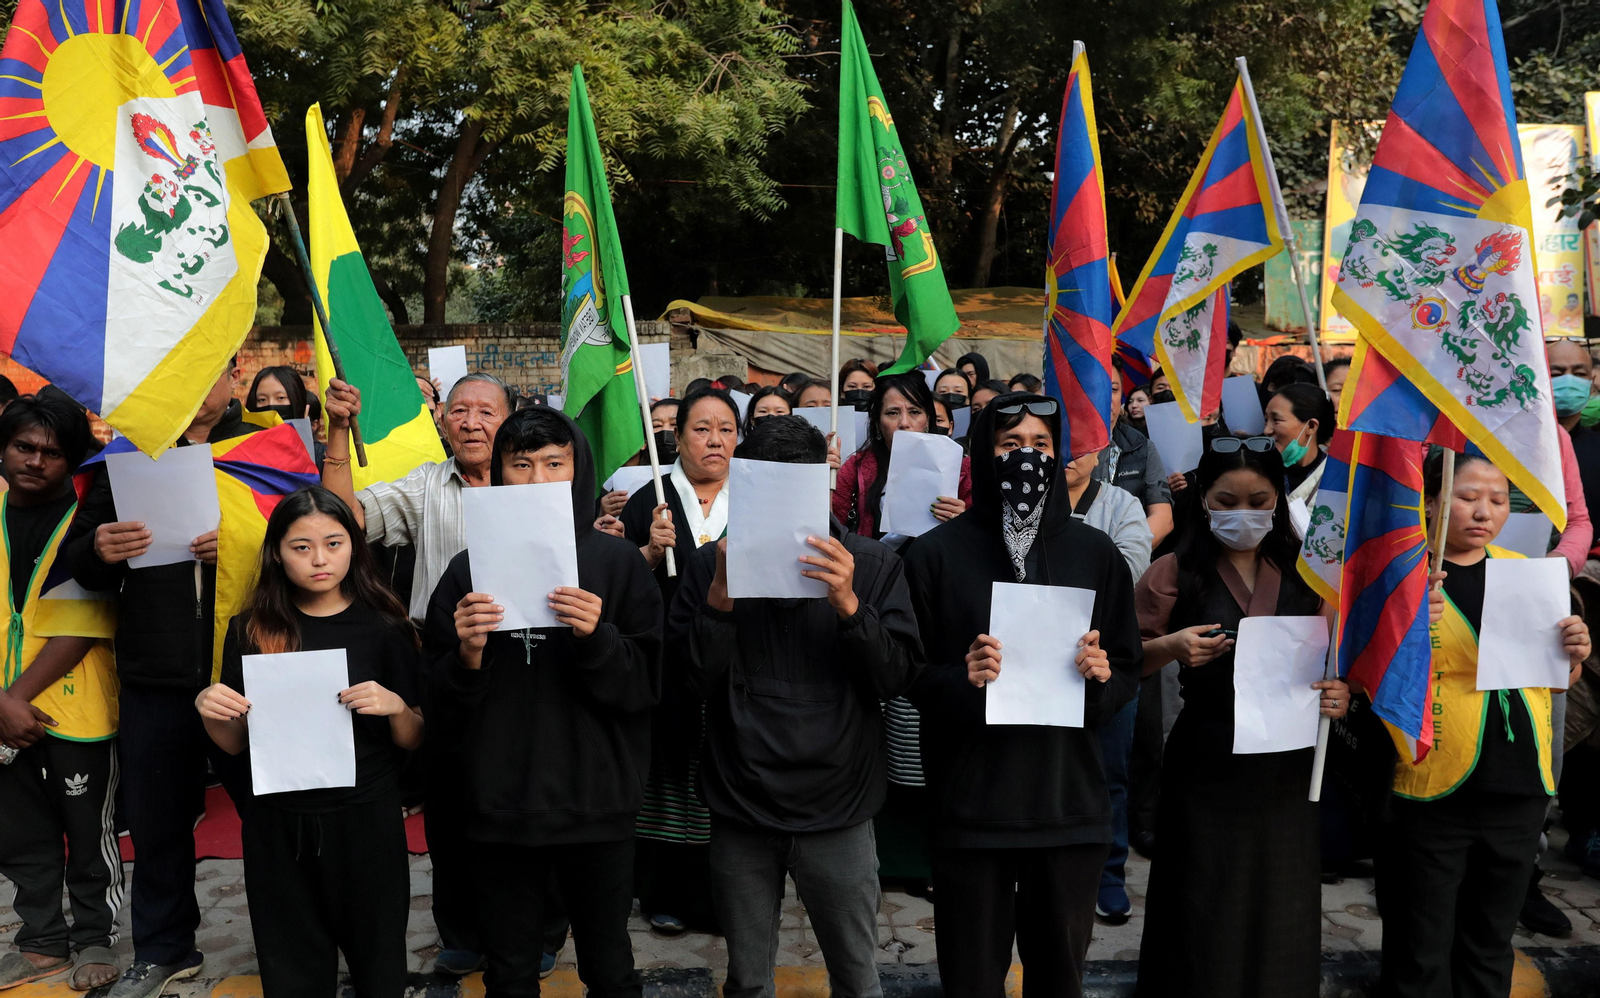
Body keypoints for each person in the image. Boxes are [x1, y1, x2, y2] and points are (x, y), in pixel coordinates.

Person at [671, 415, 921, 998]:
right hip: (741, 806)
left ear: (821, 485)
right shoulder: (713, 564)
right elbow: (685, 684)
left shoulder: (872, 563)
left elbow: (896, 678)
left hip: (839, 806)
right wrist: (718, 604)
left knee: (858, 978)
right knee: (748, 980)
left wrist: (850, 605)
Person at [903, 393, 1143, 998]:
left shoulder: (1095, 554)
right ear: (983, 455)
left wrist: (1101, 673)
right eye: (1010, 446)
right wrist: (963, 676)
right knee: (971, 980)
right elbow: (906, 675)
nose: (1027, 459)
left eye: (1040, 446)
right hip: (972, 807)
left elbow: (1129, 671)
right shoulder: (935, 554)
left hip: (1066, 804)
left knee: (1060, 980)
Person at [425, 406, 662, 997]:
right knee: (508, 971)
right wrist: (468, 655)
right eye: (521, 464)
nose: (536, 480)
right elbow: (436, 700)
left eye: (554, 464)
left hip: (597, 797)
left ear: (577, 471)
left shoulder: (618, 564)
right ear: (499, 473)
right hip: (501, 800)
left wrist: (596, 637)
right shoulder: (465, 572)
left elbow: (648, 683)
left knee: (609, 966)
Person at [61, 359, 264, 997]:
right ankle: (165, 946)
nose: (195, 384)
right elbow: (77, 565)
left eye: (207, 367)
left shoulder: (266, 450)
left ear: (233, 373)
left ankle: (291, 938)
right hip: (157, 675)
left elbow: (313, 543)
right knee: (157, 822)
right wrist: (101, 550)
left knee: (269, 817)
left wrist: (236, 544)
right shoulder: (128, 461)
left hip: (248, 673)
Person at [1133, 437, 1353, 998]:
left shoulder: (1313, 572)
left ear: (1279, 500)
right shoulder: (1172, 570)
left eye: (1259, 501)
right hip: (1206, 761)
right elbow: (1121, 657)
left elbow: (1342, 662)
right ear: (1203, 500)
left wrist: (1341, 694)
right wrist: (1173, 647)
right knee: (1202, 899)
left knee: (1280, 903)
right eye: (1227, 501)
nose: (1244, 514)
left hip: (1287, 765)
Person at [319, 371, 512, 975]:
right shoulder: (427, 486)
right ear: (442, 421)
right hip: (445, 656)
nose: (472, 422)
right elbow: (344, 517)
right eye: (460, 411)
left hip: (527, 658)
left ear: (510, 419)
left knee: (523, 795)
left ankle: (535, 927)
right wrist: (339, 432)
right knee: (450, 798)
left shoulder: (535, 480)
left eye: (486, 411)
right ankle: (459, 930)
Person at [1378, 452, 1590, 998]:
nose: (1484, 511)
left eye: (1498, 500)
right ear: (1430, 503)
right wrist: (1403, 628)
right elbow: (1364, 677)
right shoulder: (1402, 579)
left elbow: (1555, 680)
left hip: (1519, 788)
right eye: (1468, 496)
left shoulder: (1529, 576)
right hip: (1434, 784)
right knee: (1419, 947)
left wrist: (1575, 652)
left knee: (1490, 944)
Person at [197, 487, 422, 998]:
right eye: (301, 547)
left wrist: (395, 707)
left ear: (355, 547)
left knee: (379, 956)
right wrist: (210, 712)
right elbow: (234, 745)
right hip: (279, 823)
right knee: (291, 962)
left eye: (334, 543)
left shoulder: (386, 627)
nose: (319, 559)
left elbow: (416, 736)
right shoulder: (252, 629)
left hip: (366, 817)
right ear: (276, 551)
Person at [0, 396, 121, 991]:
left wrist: (11, 700)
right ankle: (42, 940)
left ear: (71, 461)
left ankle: (96, 935)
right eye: (24, 446)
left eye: (53, 453)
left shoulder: (88, 517)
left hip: (76, 703)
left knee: (88, 828)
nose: (36, 461)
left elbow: (86, 619)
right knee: (16, 830)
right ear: (3, 447)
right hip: (2, 705)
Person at [618, 387, 739, 933]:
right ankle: (662, 893)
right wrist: (646, 553)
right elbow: (619, 584)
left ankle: (723, 897)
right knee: (670, 780)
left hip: (736, 664)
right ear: (677, 436)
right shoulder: (651, 498)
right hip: (668, 663)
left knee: (726, 782)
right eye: (701, 428)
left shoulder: (757, 495)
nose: (714, 440)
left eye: (726, 429)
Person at [1061, 445, 1152, 925]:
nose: (1068, 456)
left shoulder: (1122, 505)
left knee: (1110, 772)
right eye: (1058, 444)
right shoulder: (1021, 501)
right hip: (1038, 661)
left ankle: (1110, 876)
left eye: (1081, 447)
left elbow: (1129, 572)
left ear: (1102, 452)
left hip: (1107, 659)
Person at [833, 374, 970, 538]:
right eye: (892, 413)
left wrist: (965, 519)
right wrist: (825, 478)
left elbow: (980, 537)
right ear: (877, 423)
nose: (904, 423)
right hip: (874, 562)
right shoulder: (855, 468)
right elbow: (832, 530)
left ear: (927, 420)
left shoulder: (960, 468)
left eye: (914, 411)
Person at [1093, 362, 1174, 547]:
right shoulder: (1058, 446)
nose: (1105, 397)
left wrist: (1125, 553)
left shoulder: (1141, 447)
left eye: (1113, 389)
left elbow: (1162, 516)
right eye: (1095, 387)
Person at [1263, 384, 1334, 504]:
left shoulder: (1336, 478)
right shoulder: (1260, 472)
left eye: (1276, 420)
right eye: (1266, 420)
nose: (1267, 430)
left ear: (1311, 426)